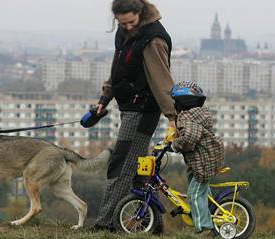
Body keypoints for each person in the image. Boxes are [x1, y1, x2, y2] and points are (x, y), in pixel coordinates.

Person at [93, 0, 177, 231]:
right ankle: (151, 226)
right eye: (122, 23)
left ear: (140, 13)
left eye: (131, 22)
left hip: (143, 110)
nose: (127, 27)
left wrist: (173, 117)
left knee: (122, 164)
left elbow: (162, 81)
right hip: (129, 106)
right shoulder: (125, 32)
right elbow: (117, 68)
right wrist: (105, 98)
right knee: (139, 168)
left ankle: (105, 224)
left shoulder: (153, 39)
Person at [170, 81, 225, 235]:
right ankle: (208, 212)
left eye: (175, 101)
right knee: (200, 189)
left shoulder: (188, 118)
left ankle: (204, 229)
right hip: (204, 160)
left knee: (194, 193)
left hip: (204, 163)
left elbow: (188, 139)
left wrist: (174, 146)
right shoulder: (196, 116)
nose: (175, 105)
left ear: (183, 102)